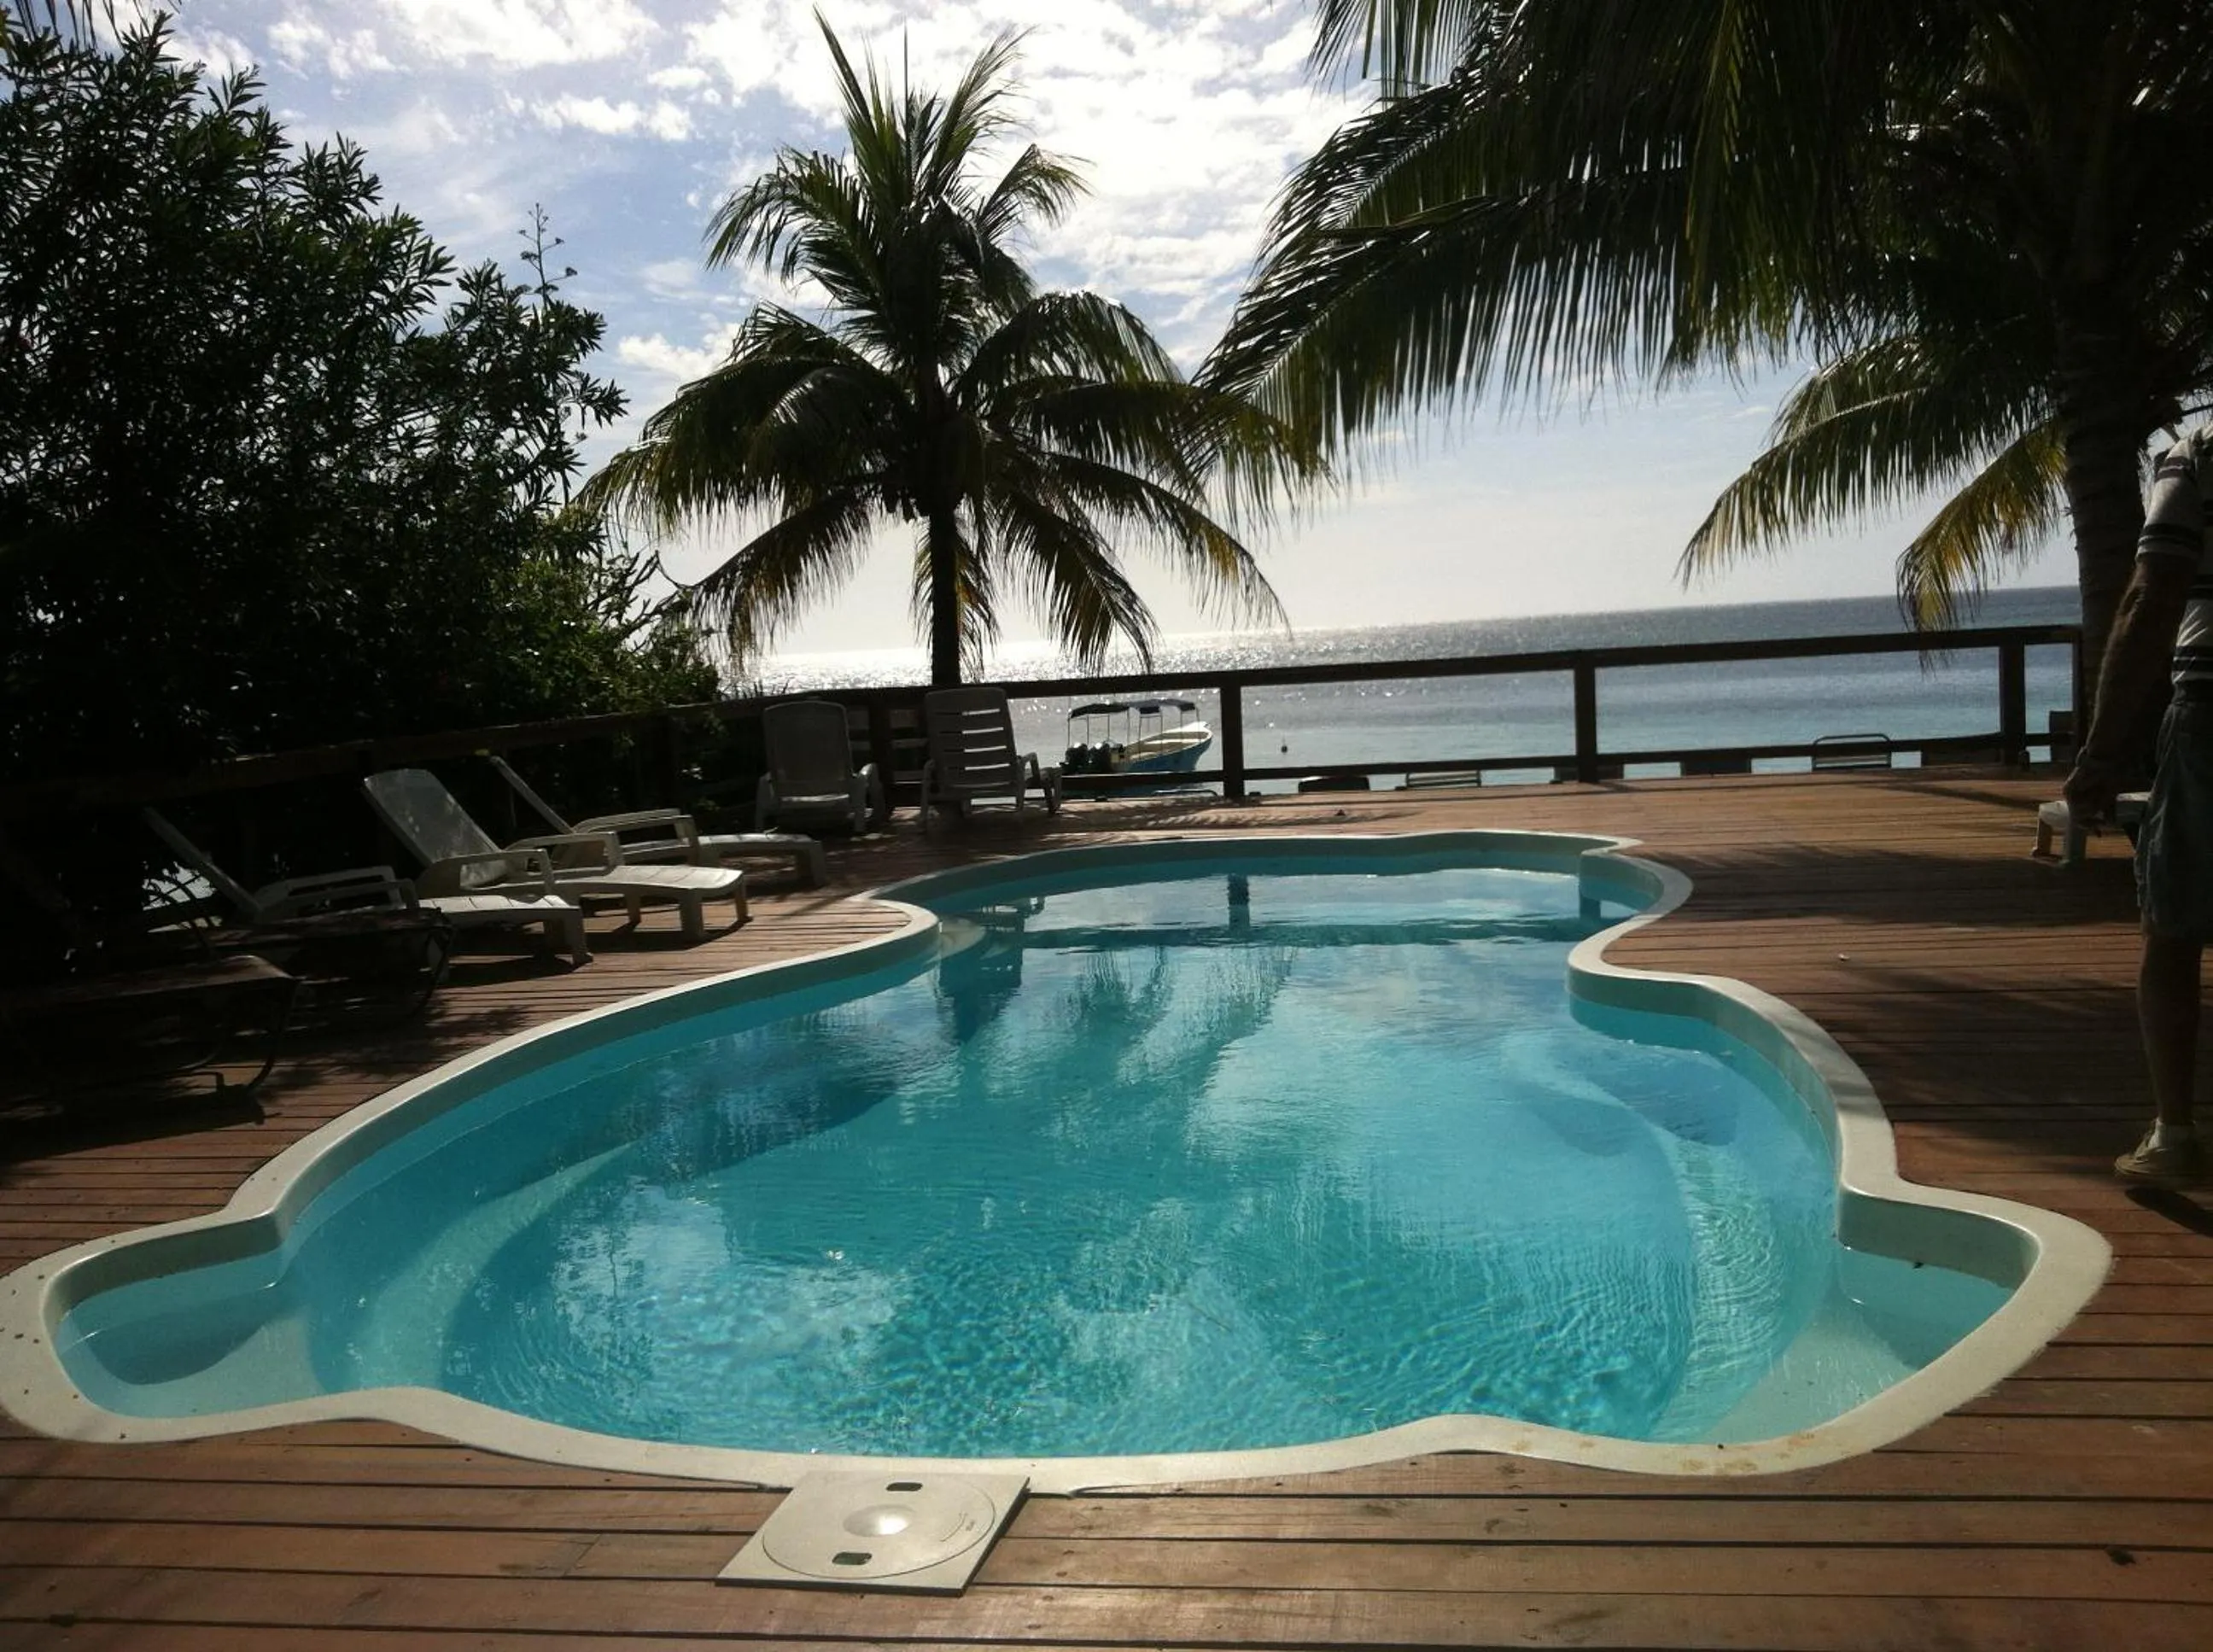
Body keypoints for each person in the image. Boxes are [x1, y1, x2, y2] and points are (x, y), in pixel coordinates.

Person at [2066, 423, 2213, 1187]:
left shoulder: (2199, 453)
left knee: (2174, 925)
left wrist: (2099, 756)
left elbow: (2151, 597)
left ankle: (2176, 1133)